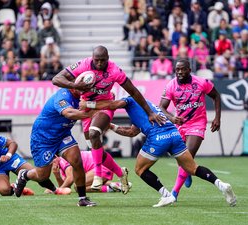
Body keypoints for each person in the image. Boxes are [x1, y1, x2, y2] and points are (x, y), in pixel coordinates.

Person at [79, 97, 236, 207]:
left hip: (158, 137)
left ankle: (167, 195)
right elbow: (132, 132)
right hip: (173, 134)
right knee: (192, 168)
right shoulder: (146, 105)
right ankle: (222, 185)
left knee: (139, 169)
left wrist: (89, 104)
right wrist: (112, 126)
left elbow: (113, 104)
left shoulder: (129, 99)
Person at [52, 45, 165, 193]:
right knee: (94, 146)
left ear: (108, 59)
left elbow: (133, 91)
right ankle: (120, 173)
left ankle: (98, 176)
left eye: (103, 60)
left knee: (94, 133)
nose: (99, 63)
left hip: (105, 105)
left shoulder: (114, 71)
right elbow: (56, 79)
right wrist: (75, 85)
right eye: (97, 60)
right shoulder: (83, 64)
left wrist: (149, 112)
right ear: (92, 58)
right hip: (86, 107)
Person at [13, 88, 97, 207]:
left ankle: (82, 199)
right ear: (72, 87)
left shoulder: (85, 97)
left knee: (77, 161)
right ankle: (25, 175)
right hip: (43, 138)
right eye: (80, 86)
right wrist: (91, 113)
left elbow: (98, 104)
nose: (84, 89)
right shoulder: (62, 96)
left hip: (63, 135)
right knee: (42, 176)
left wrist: (106, 102)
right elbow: (69, 113)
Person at [159, 59, 222, 200]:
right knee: (180, 159)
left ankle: (174, 193)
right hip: (180, 124)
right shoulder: (171, 85)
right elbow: (161, 107)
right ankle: (186, 172)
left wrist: (217, 117)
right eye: (177, 69)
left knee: (187, 156)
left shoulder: (201, 82)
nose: (180, 72)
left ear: (189, 70)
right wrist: (172, 118)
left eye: (183, 69)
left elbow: (216, 96)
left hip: (197, 124)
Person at [49, 151, 132, 193]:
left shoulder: (62, 160)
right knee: (80, 186)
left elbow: (70, 179)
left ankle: (110, 188)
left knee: (78, 186)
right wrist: (57, 176)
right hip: (104, 168)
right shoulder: (61, 166)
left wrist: (55, 191)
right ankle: (116, 186)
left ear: (56, 157)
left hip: (102, 167)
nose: (50, 164)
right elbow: (66, 189)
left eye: (50, 161)